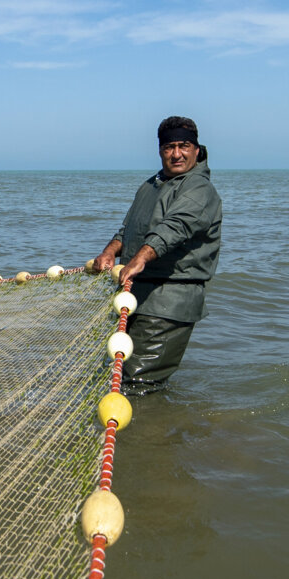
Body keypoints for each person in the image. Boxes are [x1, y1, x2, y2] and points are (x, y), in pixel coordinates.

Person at [92, 116, 221, 394]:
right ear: (160, 150)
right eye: (169, 147)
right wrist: (109, 252)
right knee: (111, 375)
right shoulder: (151, 185)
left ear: (197, 150)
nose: (176, 154)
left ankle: (150, 436)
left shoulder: (199, 189)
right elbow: (128, 230)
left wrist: (141, 257)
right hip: (134, 295)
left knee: (137, 384)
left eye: (184, 146)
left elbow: (176, 227)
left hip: (169, 302)